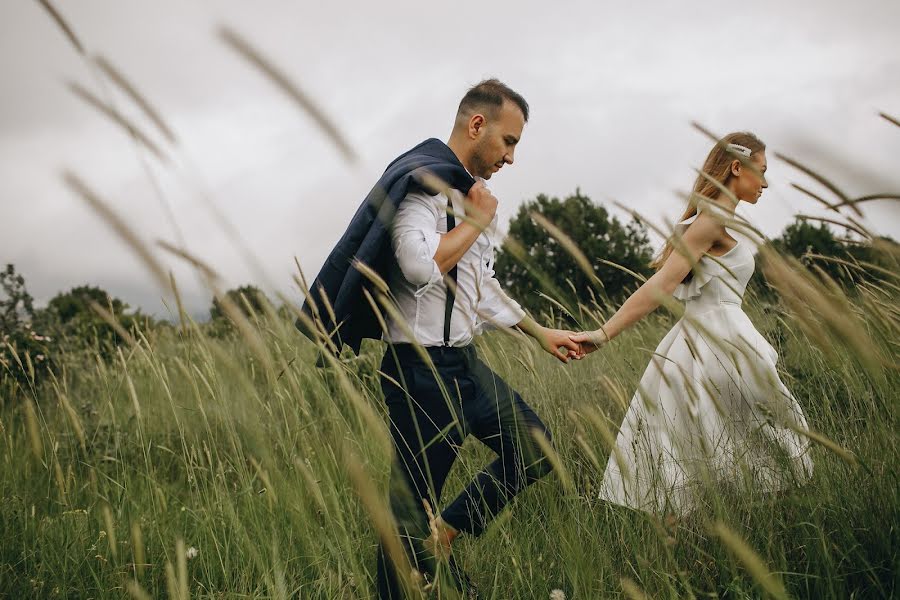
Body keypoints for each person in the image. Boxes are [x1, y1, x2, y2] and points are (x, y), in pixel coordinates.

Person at [302, 79, 580, 598]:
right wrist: (477, 220)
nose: (511, 157)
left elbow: (481, 287)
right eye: (509, 142)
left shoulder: (468, 194)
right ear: (478, 125)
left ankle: (446, 534)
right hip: (418, 372)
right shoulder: (422, 186)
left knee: (534, 449)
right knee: (409, 510)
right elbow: (418, 265)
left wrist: (539, 332)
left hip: (466, 366)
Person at [571, 132, 814, 515]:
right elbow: (661, 285)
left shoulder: (713, 222)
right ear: (737, 167)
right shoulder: (710, 221)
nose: (766, 183)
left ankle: (713, 541)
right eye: (762, 172)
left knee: (717, 446)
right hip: (718, 345)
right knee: (763, 440)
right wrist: (604, 334)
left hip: (712, 342)